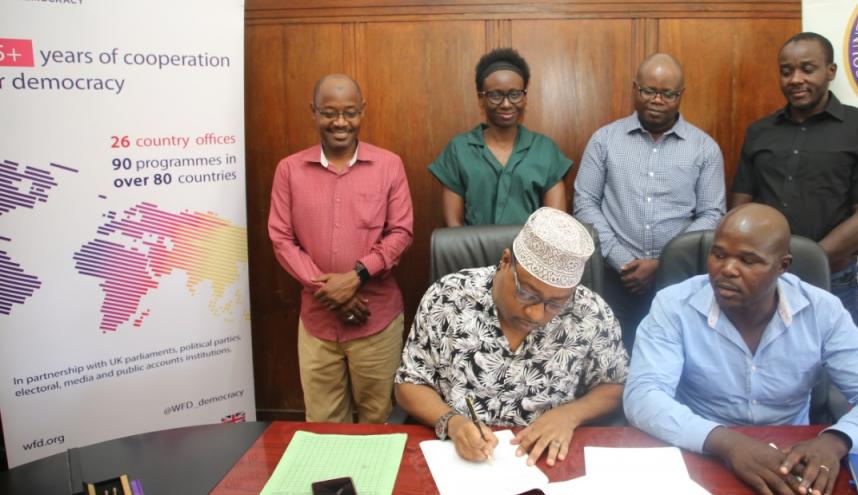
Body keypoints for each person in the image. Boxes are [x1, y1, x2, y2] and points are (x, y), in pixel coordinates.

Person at [624, 204, 858, 495]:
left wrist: (835, 441)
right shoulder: (674, 305)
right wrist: (727, 442)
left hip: (793, 457)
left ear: (782, 266)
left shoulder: (822, 310)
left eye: (748, 260)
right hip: (700, 455)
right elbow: (643, 396)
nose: (728, 269)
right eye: (718, 254)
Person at [395, 208, 629, 466]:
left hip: (547, 459)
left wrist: (570, 415)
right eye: (527, 294)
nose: (537, 314)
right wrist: (453, 423)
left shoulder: (590, 311)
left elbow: (615, 385)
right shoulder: (448, 297)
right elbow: (409, 384)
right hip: (460, 456)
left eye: (556, 304)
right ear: (506, 261)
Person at [268, 74, 413, 423]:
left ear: (362, 111)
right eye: (329, 113)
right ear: (314, 112)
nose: (340, 122)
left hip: (376, 318)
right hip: (318, 321)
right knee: (323, 422)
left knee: (378, 418)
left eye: (349, 112)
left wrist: (356, 276)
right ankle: (336, 480)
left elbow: (401, 232)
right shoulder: (289, 170)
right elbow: (281, 238)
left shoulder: (389, 165)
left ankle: (375, 480)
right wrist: (330, 289)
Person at [732, 32, 858, 323]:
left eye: (807, 69)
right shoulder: (760, 131)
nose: (795, 79)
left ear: (830, 71)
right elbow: (741, 208)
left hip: (832, 280)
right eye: (786, 71)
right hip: (763, 280)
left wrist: (808, 262)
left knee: (831, 367)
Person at [574, 52, 725, 350]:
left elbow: (712, 214)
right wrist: (624, 262)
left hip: (679, 281)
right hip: (613, 280)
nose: (657, 100)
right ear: (635, 89)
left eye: (667, 93)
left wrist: (661, 263)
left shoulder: (705, 148)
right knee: (613, 365)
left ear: (680, 95)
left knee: (675, 360)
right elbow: (585, 203)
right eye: (648, 91)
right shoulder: (604, 140)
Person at [431, 48, 572, 226]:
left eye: (515, 94)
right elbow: (454, 227)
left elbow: (555, 225)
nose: (506, 104)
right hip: (474, 253)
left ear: (525, 97)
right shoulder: (459, 149)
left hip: (531, 253)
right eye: (495, 95)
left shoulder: (546, 150)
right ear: (481, 99)